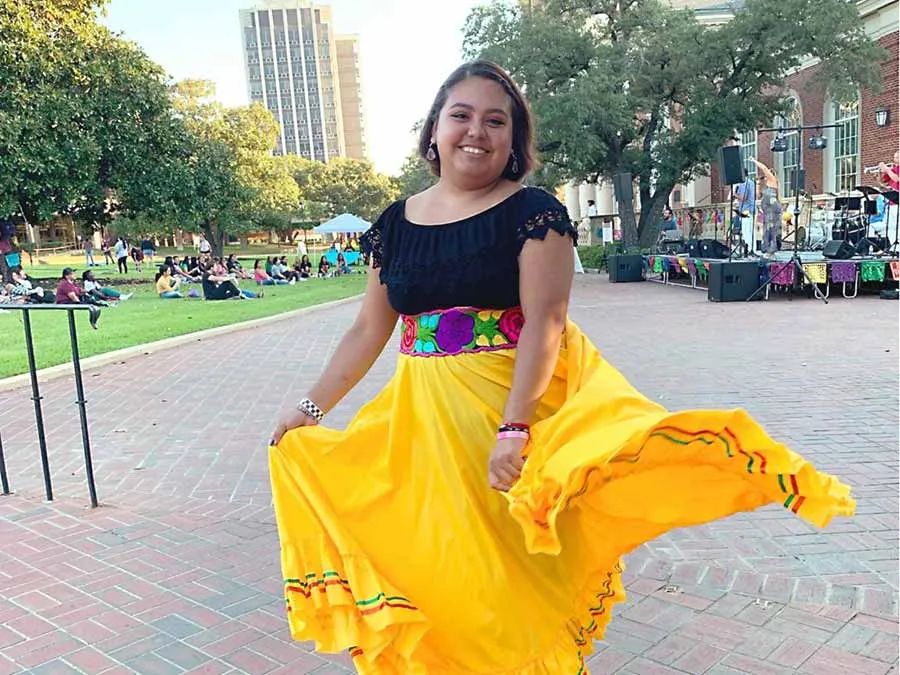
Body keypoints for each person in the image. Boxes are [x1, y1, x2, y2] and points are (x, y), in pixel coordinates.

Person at [268, 61, 853, 675]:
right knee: (439, 570)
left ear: (513, 140)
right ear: (434, 130)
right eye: (461, 116)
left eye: (497, 121)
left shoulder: (534, 213)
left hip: (507, 416)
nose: (477, 132)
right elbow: (368, 328)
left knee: (508, 581)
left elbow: (545, 323)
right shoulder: (395, 223)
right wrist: (309, 409)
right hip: (420, 431)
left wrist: (514, 429)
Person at [753, 159, 782, 255]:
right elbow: (758, 196)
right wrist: (758, 183)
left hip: (772, 208)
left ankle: (771, 249)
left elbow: (764, 168)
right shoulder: (766, 186)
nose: (765, 178)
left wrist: (754, 161)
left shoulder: (772, 180)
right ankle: (768, 248)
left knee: (771, 228)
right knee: (767, 227)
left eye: (766, 176)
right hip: (767, 209)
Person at [734, 169, 757, 254]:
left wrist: (735, 194)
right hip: (751, 209)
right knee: (751, 231)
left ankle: (749, 249)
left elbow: (743, 197)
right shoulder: (751, 182)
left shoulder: (744, 183)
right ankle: (752, 249)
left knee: (746, 231)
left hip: (745, 210)